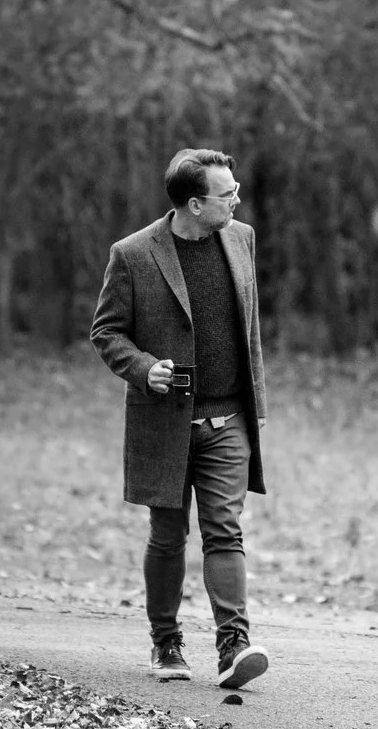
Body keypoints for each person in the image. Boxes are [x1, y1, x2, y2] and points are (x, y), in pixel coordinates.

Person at [90, 148, 271, 690]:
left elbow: (250, 325)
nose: (237, 199)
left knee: (225, 530)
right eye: (227, 193)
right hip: (163, 421)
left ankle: (233, 645)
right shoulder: (134, 254)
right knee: (168, 536)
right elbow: (106, 333)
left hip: (230, 418)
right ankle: (166, 642)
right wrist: (146, 369)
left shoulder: (242, 239)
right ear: (195, 203)